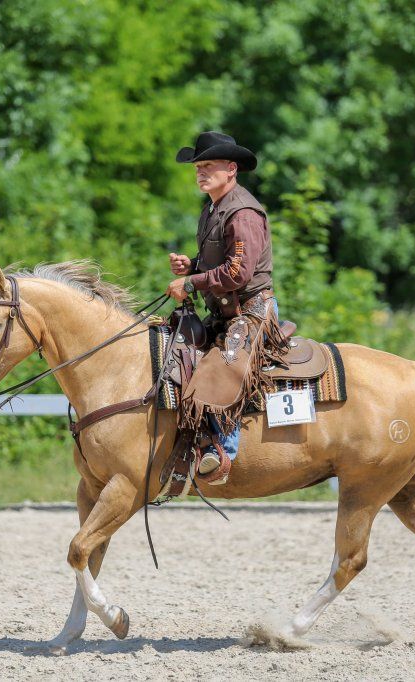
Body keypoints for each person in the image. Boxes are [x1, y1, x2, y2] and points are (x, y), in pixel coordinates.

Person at [165, 131, 280, 482]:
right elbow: (222, 260)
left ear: (231, 169)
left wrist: (191, 282)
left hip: (252, 313)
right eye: (198, 167)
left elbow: (238, 272)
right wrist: (194, 265)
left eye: (208, 166)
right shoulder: (213, 210)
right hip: (224, 313)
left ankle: (220, 453)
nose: (201, 172)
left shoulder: (242, 212)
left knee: (222, 367)